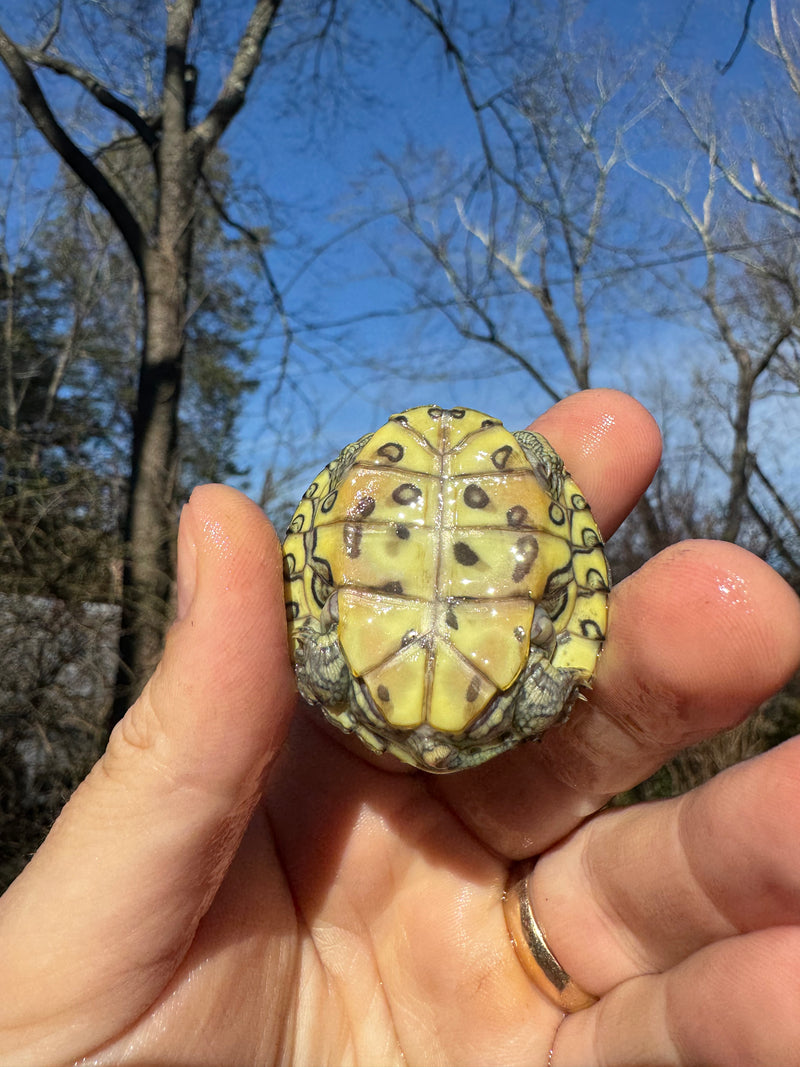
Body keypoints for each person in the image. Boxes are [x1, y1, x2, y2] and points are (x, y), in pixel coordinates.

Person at [1, 388, 799, 1067]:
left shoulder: (343, 645)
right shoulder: (513, 651)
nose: (429, 743)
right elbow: (567, 626)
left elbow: (310, 616)